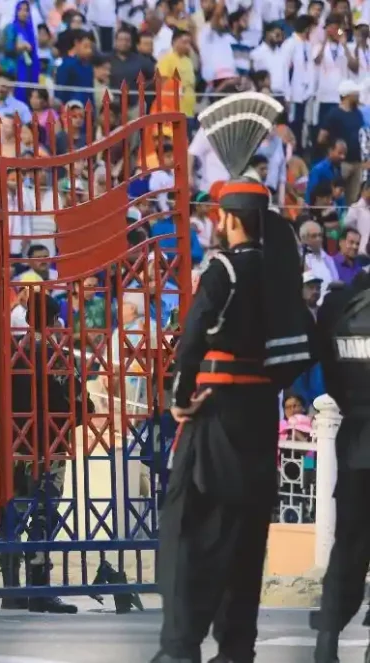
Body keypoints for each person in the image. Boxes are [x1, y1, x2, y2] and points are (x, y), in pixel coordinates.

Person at [151, 94, 312, 663]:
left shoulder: (222, 267)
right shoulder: (279, 270)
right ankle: (236, 647)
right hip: (260, 415)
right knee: (246, 537)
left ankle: (180, 647)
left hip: (215, 414)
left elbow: (192, 337)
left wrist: (177, 395)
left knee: (192, 532)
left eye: (221, 213)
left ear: (230, 218)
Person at [0, 292, 87, 614]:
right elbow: (81, 404)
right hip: (50, 446)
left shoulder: (10, 353)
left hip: (14, 445)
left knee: (13, 510)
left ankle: (11, 588)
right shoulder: (60, 356)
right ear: (53, 320)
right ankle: (39, 588)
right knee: (43, 513)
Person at [308, 268, 370, 663]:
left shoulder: (340, 305)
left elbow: (326, 371)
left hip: (356, 443)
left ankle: (327, 637)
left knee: (348, 548)